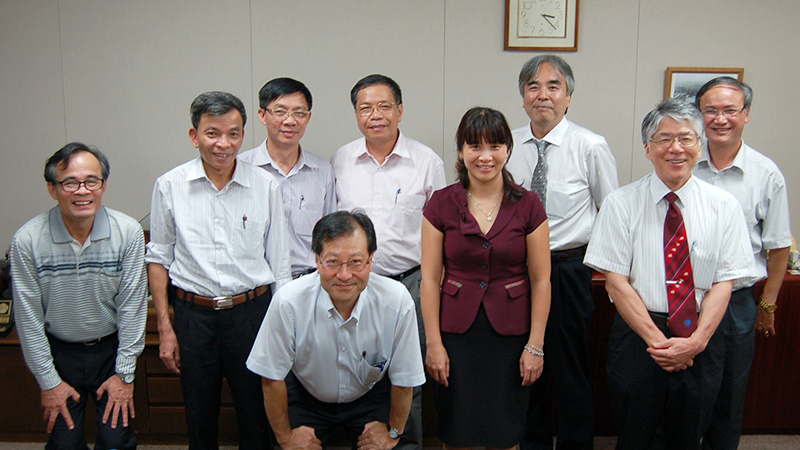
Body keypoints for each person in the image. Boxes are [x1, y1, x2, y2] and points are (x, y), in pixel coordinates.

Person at [583, 97, 754, 450]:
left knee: (688, 436)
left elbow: (726, 282)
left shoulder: (724, 207)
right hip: (639, 339)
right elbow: (616, 281)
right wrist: (659, 343)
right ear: (648, 149)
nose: (676, 148)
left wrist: (695, 342)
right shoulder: (620, 203)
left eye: (686, 138)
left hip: (700, 336)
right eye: (664, 139)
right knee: (634, 435)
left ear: (699, 145)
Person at [145, 91, 291, 450]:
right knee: (199, 414)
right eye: (212, 133)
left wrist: (283, 328)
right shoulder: (170, 186)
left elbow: (280, 265)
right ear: (194, 136)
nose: (223, 144)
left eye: (234, 133)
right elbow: (158, 258)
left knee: (256, 414)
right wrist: (166, 327)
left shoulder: (266, 185)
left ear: (243, 134)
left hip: (252, 313)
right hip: (194, 317)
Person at [421, 107, 551, 449]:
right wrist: (434, 344)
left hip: (511, 333)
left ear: (507, 149)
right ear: (462, 152)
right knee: (456, 430)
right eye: (474, 146)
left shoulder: (529, 204)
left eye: (494, 146)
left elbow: (541, 279)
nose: (485, 156)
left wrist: (535, 346)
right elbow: (431, 278)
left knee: (505, 430)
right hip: (455, 333)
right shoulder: (440, 203)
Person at [507, 54, 618, 450]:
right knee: (524, 365)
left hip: (567, 269)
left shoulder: (590, 145)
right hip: (516, 271)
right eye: (533, 87)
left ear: (568, 97)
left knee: (570, 367)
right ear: (522, 97)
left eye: (553, 86)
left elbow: (611, 212)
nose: (543, 95)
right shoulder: (508, 145)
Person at [331, 73, 446, 450]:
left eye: (383, 106)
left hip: (411, 283)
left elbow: (442, 232)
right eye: (365, 107)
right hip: (355, 285)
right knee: (356, 370)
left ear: (400, 111)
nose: (374, 115)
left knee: (407, 374)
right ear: (355, 114)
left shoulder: (426, 161)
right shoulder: (342, 159)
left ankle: (405, 444)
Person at [247, 211, 425, 450]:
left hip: (370, 395)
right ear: (317, 261)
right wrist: (286, 437)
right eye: (332, 262)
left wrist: (393, 432)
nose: (344, 275)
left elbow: (405, 379)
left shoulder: (396, 301)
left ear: (371, 259)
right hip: (306, 395)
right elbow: (271, 377)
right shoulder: (288, 301)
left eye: (356, 262)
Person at [10, 142, 147, 450]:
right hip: (59, 353)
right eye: (70, 182)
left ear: (104, 185)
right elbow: (29, 319)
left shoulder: (127, 232)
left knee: (116, 441)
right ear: (52, 188)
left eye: (91, 181)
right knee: (65, 443)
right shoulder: (28, 240)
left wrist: (124, 375)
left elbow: (133, 308)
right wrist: (49, 382)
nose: (82, 191)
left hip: (109, 351)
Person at [693, 77, 792, 450]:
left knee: (729, 393)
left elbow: (778, 246)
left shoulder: (766, 174)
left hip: (736, 301)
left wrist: (767, 302)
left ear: (746, 115)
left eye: (730, 110)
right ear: (700, 116)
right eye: (711, 111)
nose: (720, 119)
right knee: (686, 388)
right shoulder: (682, 161)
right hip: (688, 294)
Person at [239, 77, 336, 278]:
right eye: (280, 111)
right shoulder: (241, 169)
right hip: (257, 285)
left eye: (299, 113)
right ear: (262, 115)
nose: (290, 121)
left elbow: (330, 236)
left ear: (308, 118)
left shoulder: (322, 171)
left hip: (308, 281)